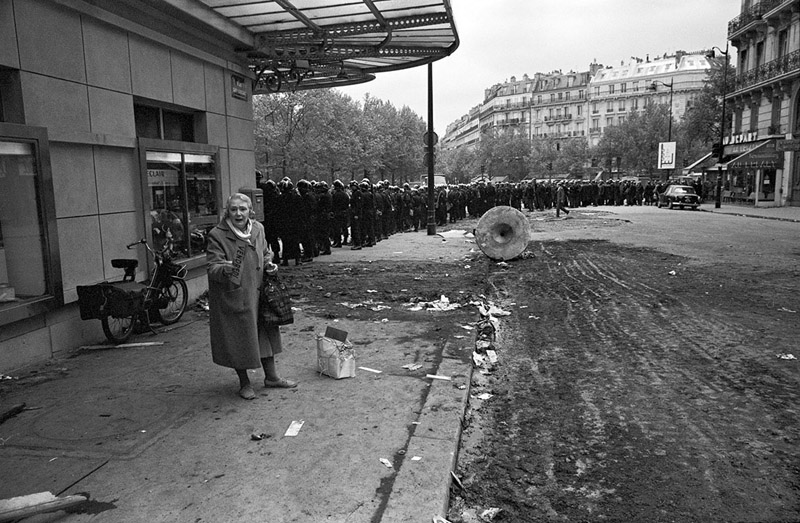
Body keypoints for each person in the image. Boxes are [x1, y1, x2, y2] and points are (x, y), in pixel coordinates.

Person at [206, 193, 297, 400]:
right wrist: (225, 270)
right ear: (227, 211)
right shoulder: (217, 235)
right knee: (239, 339)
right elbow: (212, 267)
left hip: (259, 292)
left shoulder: (257, 228)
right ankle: (244, 383)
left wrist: (269, 263)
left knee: (265, 334)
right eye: (233, 209)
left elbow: (265, 252)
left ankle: (272, 377)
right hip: (235, 295)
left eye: (243, 209)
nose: (238, 213)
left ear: (250, 211)